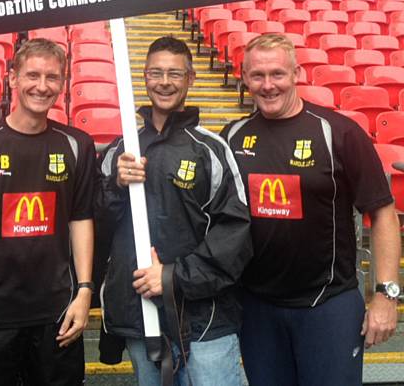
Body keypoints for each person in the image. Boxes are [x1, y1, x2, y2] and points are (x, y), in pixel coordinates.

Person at [221, 33, 401, 386]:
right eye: (257, 75)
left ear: (297, 74)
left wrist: (386, 296)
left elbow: (383, 214)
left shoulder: (339, 133)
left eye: (278, 74)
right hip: (258, 308)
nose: (268, 85)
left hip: (328, 305)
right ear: (244, 78)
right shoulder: (233, 136)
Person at [0, 38, 96, 386]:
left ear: (63, 82)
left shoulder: (77, 145)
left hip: (56, 315)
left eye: (52, 77)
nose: (42, 86)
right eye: (32, 75)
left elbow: (80, 218)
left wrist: (84, 291)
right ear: (12, 78)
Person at [96, 36, 252, 386]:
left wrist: (172, 276)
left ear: (191, 79)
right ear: (144, 77)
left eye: (174, 73)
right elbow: (97, 228)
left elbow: (235, 234)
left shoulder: (211, 149)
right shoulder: (121, 150)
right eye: (155, 73)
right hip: (143, 317)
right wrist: (115, 187)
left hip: (205, 321)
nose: (164, 82)